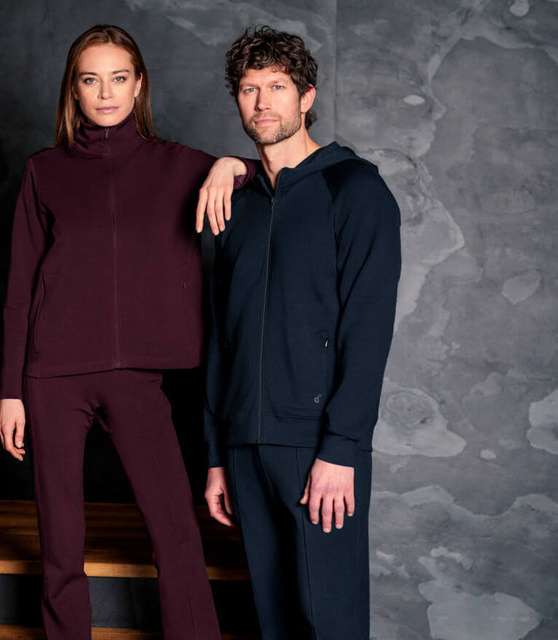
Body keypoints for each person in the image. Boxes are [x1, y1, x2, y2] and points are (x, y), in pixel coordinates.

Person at [0, 24, 254, 640]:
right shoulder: (44, 172)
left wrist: (229, 165)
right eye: (91, 80)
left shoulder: (181, 165)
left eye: (118, 78)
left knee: (176, 529)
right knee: (61, 542)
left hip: (139, 377)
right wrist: (11, 391)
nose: (105, 92)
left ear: (138, 86)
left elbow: (267, 173)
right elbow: (18, 290)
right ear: (74, 91)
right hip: (51, 376)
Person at [203, 26, 401, 640]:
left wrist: (341, 449)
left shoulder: (357, 191)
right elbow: (220, 339)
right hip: (245, 448)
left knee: (329, 621)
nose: (262, 102)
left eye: (277, 87)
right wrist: (216, 457)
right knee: (273, 622)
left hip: (319, 450)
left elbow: (368, 333)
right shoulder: (233, 205)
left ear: (307, 95)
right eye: (248, 89)